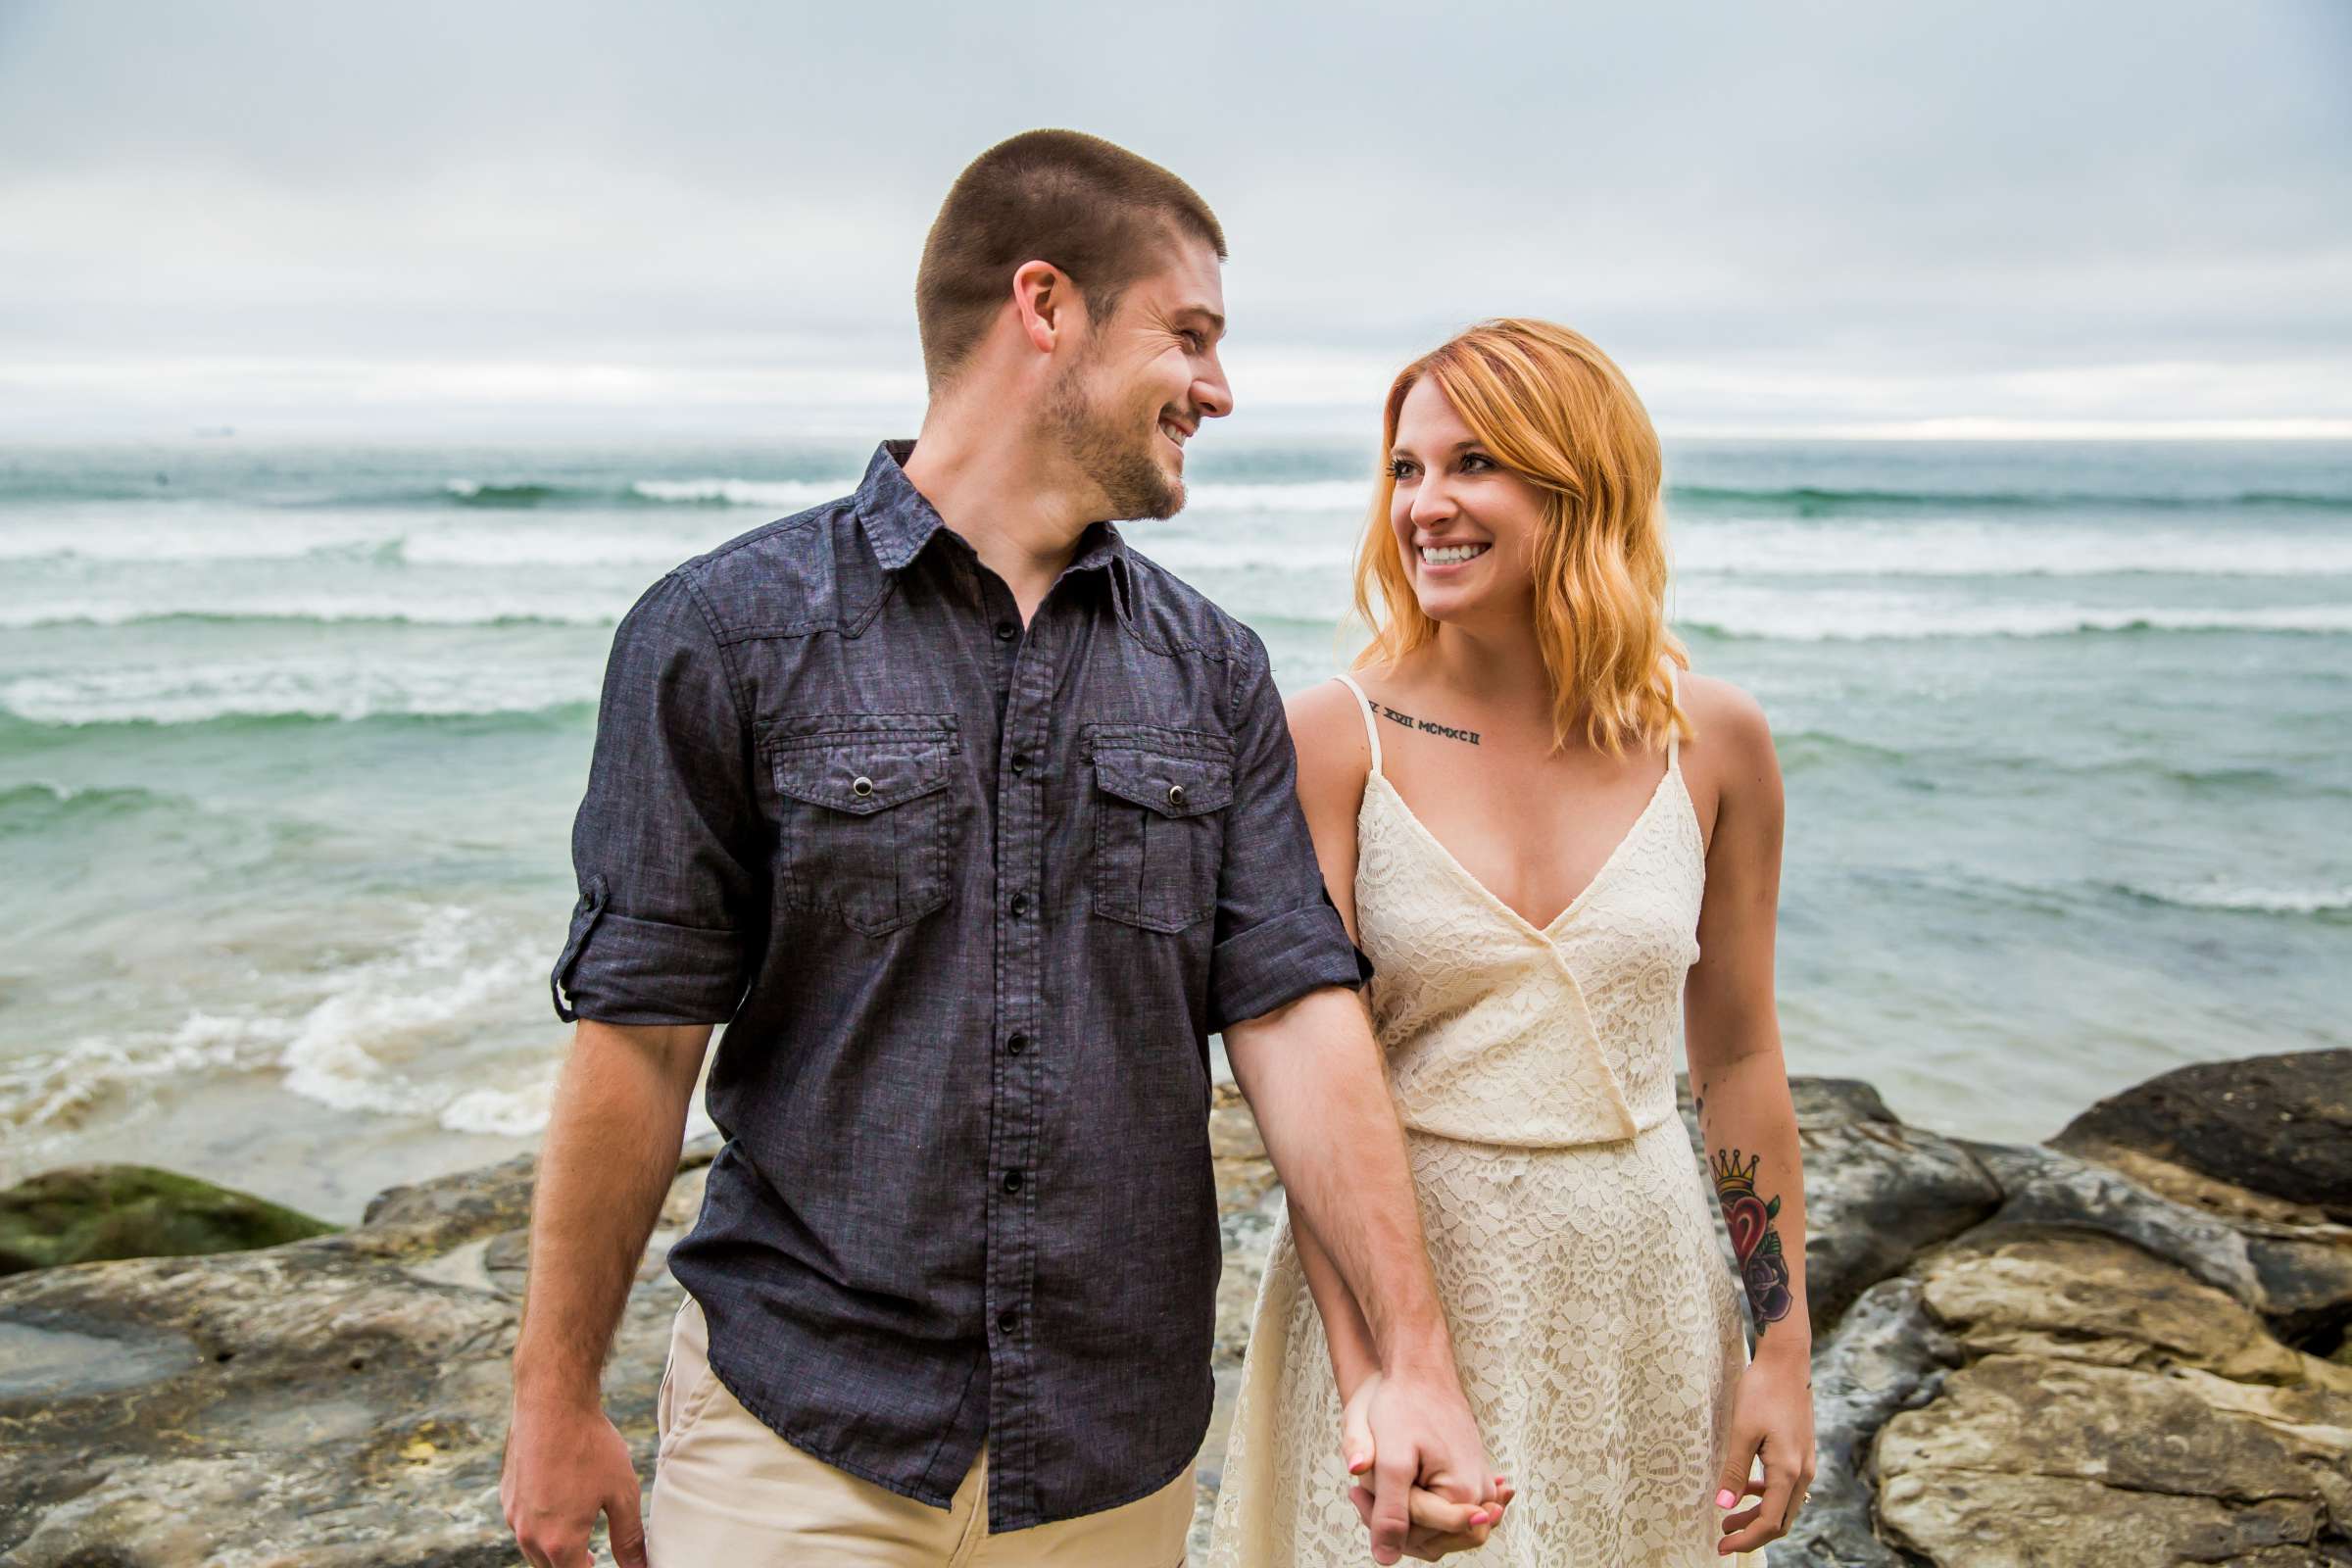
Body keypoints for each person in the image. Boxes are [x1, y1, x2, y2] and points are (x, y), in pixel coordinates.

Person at [499, 129, 1509, 1568]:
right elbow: (638, 1043)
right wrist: (555, 1400)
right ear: (1046, 308)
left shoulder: (1212, 673)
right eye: (1191, 334)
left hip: (1114, 1460)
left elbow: (1294, 1013)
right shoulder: (724, 635)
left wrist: (1412, 1359)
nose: (1219, 389)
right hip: (801, 1441)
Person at [1205, 318, 1819, 1565]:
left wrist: (1783, 1351)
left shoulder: (1718, 743)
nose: (1425, 504)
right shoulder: (1328, 740)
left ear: (1578, 481)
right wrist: (1376, 1374)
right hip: (1408, 1300)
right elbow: (1309, 1077)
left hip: (1643, 1302)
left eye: (1472, 463)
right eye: (1404, 469)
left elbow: (1742, 1060)